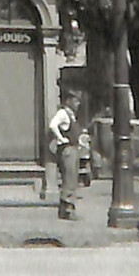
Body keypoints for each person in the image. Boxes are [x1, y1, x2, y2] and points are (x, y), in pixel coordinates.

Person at [48, 91, 82, 220]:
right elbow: (52, 125)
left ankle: (65, 208)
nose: (78, 103)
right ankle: (68, 209)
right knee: (69, 178)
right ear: (68, 100)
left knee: (72, 178)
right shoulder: (63, 113)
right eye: (76, 100)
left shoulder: (72, 116)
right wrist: (61, 138)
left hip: (73, 149)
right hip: (68, 151)